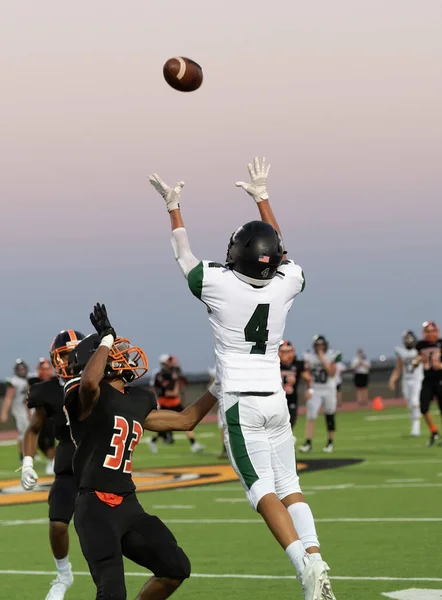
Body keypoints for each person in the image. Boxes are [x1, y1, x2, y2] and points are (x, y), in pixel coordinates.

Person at [149, 157, 336, 600]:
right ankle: (317, 559)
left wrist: (174, 208)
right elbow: (283, 254)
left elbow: (183, 254)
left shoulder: (217, 283)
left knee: (260, 491)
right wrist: (263, 199)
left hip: (239, 401)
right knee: (290, 487)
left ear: (237, 254)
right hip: (274, 398)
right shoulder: (287, 281)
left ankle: (305, 568)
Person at [64, 303, 217, 600]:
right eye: (115, 350)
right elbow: (89, 382)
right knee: (111, 593)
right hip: (95, 506)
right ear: (101, 359)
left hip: (128, 505)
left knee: (175, 567)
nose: (124, 354)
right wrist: (105, 339)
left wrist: (218, 388)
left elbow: (186, 421)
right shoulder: (86, 396)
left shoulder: (136, 399)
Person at [22, 330, 85, 600]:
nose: (71, 359)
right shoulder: (47, 392)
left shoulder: (101, 383)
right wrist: (27, 462)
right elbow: (34, 429)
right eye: (65, 355)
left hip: (100, 462)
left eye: (75, 353)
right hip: (68, 464)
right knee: (58, 524)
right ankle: (63, 574)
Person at [147, 355, 204, 454]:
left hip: (175, 402)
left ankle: (194, 444)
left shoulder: (175, 371)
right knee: (163, 426)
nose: (171, 362)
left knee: (187, 420)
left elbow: (180, 384)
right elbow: (165, 391)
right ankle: (153, 441)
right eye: (168, 361)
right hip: (165, 403)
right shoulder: (160, 374)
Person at [300, 336, 341, 454]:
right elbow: (306, 373)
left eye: (322, 345)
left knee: (330, 415)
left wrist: (323, 359)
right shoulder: (309, 356)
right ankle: (308, 443)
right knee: (311, 416)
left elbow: (332, 373)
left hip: (329, 389)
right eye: (318, 345)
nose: (320, 347)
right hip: (315, 389)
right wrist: (307, 389)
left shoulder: (331, 355)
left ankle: (330, 442)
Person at [388, 331, 423, 437]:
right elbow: (398, 368)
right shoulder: (401, 352)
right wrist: (392, 379)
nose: (408, 341)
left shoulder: (419, 351)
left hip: (417, 379)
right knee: (409, 404)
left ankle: (416, 426)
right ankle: (414, 424)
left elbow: (422, 362)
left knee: (414, 401)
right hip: (406, 380)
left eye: (409, 339)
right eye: (406, 339)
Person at [414, 321, 442, 446]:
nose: (430, 334)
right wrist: (416, 361)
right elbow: (418, 357)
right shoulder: (420, 345)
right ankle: (434, 432)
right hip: (427, 379)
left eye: (432, 331)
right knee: (423, 407)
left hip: (440, 378)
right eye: (427, 332)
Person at [28, 358, 57, 475]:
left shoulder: (56, 381)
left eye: (47, 369)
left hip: (52, 414)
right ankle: (52, 459)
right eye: (42, 369)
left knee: (50, 439)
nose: (45, 372)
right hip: (39, 414)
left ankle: (52, 462)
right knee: (40, 441)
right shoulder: (34, 382)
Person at [279, 340, 312, 439]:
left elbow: (308, 378)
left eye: (287, 352)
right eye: (283, 352)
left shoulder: (298, 364)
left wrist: (309, 390)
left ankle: (287, 438)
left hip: (291, 398)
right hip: (276, 397)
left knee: (291, 421)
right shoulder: (273, 363)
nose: (285, 355)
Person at [0, 359, 30, 460]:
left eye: (23, 368)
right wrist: (4, 413)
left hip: (29, 410)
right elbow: (8, 397)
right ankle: (23, 455)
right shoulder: (14, 382)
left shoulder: (29, 379)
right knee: (24, 433)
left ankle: (30, 453)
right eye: (19, 369)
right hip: (20, 410)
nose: (22, 370)